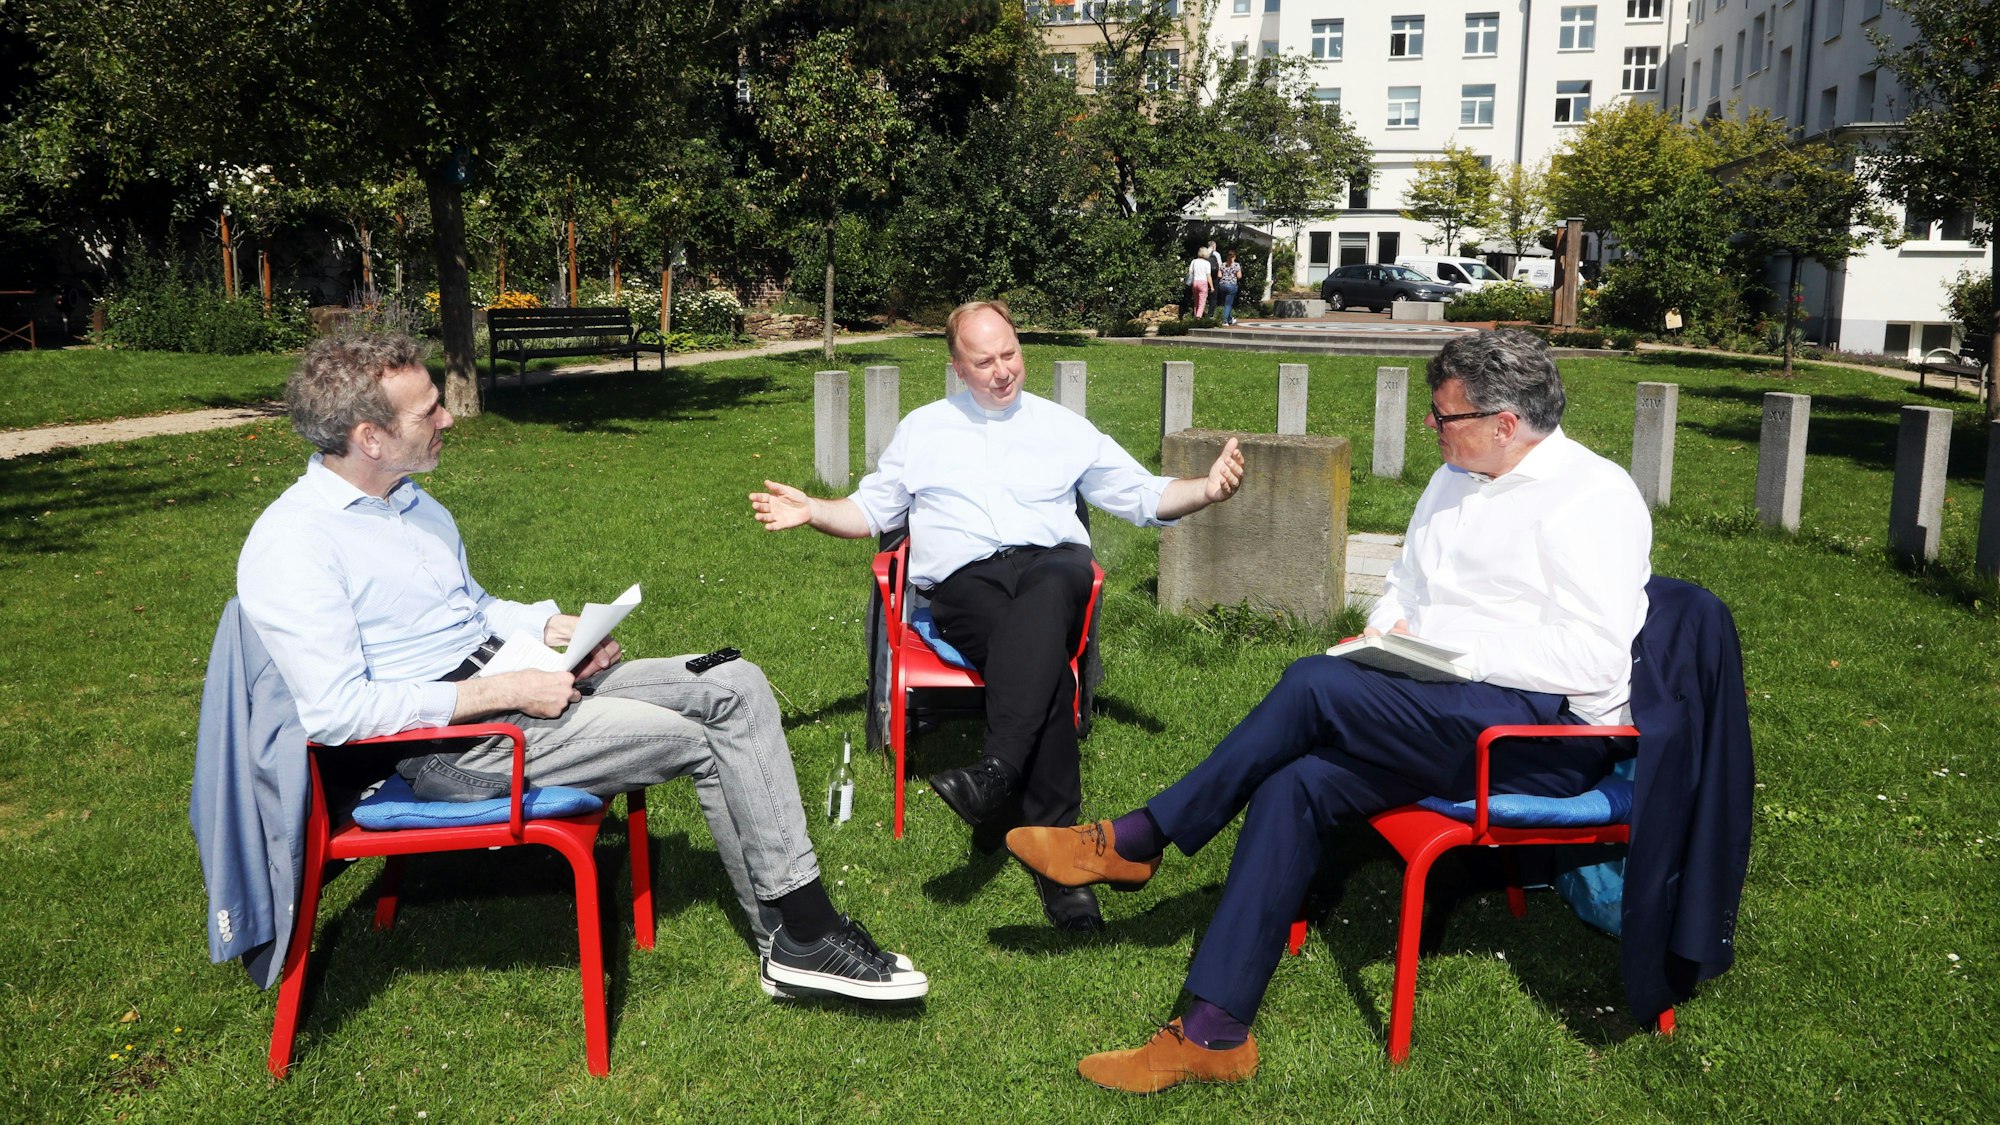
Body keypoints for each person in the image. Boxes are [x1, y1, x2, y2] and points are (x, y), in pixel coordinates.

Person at [1008, 329, 1651, 1091]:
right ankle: (1213, 1033)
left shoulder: (1594, 495)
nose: (1430, 429)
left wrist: (1454, 648)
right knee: (1295, 784)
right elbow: (1407, 588)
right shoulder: (1455, 477)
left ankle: (1141, 837)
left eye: (1443, 417)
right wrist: (1386, 635)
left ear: (1505, 422)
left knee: (1313, 684)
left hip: (1540, 734)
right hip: (1443, 701)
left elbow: (1594, 660)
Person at [236, 331, 927, 1004]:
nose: (448, 417)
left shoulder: (410, 502)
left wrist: (549, 627)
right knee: (702, 738)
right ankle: (802, 933)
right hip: (458, 747)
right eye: (429, 410)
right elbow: (336, 712)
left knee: (734, 683)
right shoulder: (296, 543)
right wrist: (510, 689)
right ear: (370, 437)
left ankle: (797, 934)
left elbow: (472, 608)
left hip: (517, 683)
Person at [750, 300, 1244, 931]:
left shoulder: (1064, 428)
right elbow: (871, 511)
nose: (1003, 370)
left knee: (1049, 584)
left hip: (1053, 569)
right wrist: (815, 510)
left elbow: (1144, 494)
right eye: (984, 361)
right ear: (958, 368)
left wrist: (1206, 490)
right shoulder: (924, 429)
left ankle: (997, 772)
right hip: (966, 585)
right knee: (1050, 674)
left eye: (1010, 353)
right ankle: (1058, 851)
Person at [1215, 250, 1244, 326]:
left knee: (1226, 303)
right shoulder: (1236, 265)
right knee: (1228, 304)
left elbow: (1219, 275)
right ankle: (1225, 321)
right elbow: (1239, 276)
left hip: (1222, 285)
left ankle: (1230, 319)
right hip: (1231, 285)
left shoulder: (1223, 265)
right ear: (1234, 257)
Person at [1186, 248, 1214, 319]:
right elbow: (1208, 276)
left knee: (1196, 301)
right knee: (1202, 302)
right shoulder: (1207, 263)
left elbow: (1190, 272)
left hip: (1195, 282)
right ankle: (1198, 317)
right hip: (1203, 282)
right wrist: (1212, 286)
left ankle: (1196, 315)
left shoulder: (1194, 261)